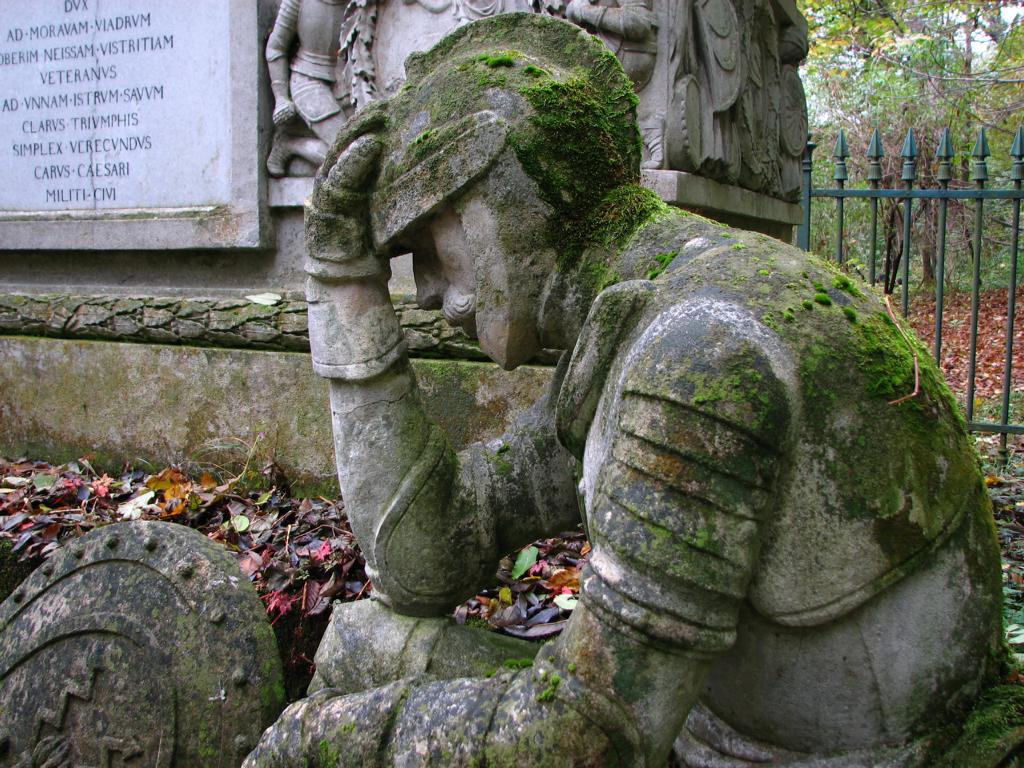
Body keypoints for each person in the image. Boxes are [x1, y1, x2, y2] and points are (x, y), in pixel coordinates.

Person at [246, 14, 1006, 767]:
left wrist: (319, 740)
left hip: (830, 757)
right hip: (722, 730)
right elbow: (422, 561)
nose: (426, 290)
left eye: (427, 246)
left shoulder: (700, 354)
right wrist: (341, 280)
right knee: (365, 644)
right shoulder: (645, 315)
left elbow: (586, 737)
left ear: (485, 202)